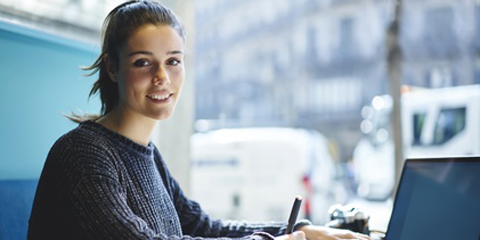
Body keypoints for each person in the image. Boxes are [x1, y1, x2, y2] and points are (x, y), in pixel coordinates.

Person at [27, 1, 370, 240]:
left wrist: (298, 231)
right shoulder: (81, 154)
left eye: (173, 61)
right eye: (143, 62)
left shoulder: (147, 155)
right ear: (113, 68)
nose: (162, 77)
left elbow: (201, 226)